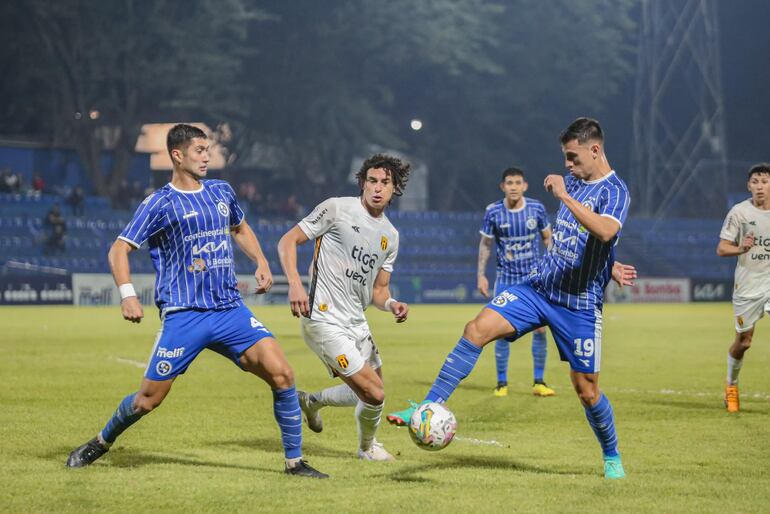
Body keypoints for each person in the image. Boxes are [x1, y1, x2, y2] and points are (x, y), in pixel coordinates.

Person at [65, 124, 327, 478]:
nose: (207, 156)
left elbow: (240, 228)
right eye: (200, 150)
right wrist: (127, 295)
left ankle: (295, 463)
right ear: (178, 154)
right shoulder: (159, 202)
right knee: (148, 400)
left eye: (208, 150)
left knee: (282, 374)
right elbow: (119, 249)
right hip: (184, 314)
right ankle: (102, 440)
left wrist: (261, 261)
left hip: (229, 309)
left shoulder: (221, 191)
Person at [387, 118, 635, 479]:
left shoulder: (615, 192)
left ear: (594, 149)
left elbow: (607, 231)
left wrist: (565, 197)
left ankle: (611, 455)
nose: (567, 164)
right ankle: (428, 405)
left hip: (578, 304)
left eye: (572, 156)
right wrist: (611, 265)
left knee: (587, 390)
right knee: (476, 329)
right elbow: (576, 237)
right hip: (538, 287)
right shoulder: (577, 184)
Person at [277, 153, 410, 461]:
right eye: (372, 181)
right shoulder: (336, 208)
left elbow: (379, 289)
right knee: (375, 394)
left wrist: (391, 304)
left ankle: (311, 401)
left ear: (394, 189)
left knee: (370, 388)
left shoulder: (390, 235)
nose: (377, 188)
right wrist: (296, 284)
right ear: (363, 183)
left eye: (385, 183)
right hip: (323, 318)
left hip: (356, 321)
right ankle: (367, 449)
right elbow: (287, 241)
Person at [478, 167, 554, 397]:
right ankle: (502, 383)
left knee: (540, 330)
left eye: (517, 182)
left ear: (525, 186)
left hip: (533, 279)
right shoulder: (493, 212)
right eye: (509, 183)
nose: (513, 187)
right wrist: (481, 274)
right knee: (500, 331)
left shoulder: (536, 209)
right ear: (503, 186)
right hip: (506, 280)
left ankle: (539, 382)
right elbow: (486, 245)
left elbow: (548, 238)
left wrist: (550, 269)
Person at [716, 162, 770, 413]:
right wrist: (742, 248)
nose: (760, 186)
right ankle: (731, 385)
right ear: (749, 185)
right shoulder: (739, 213)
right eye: (756, 182)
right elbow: (722, 248)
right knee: (744, 341)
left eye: (765, 181)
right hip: (748, 285)